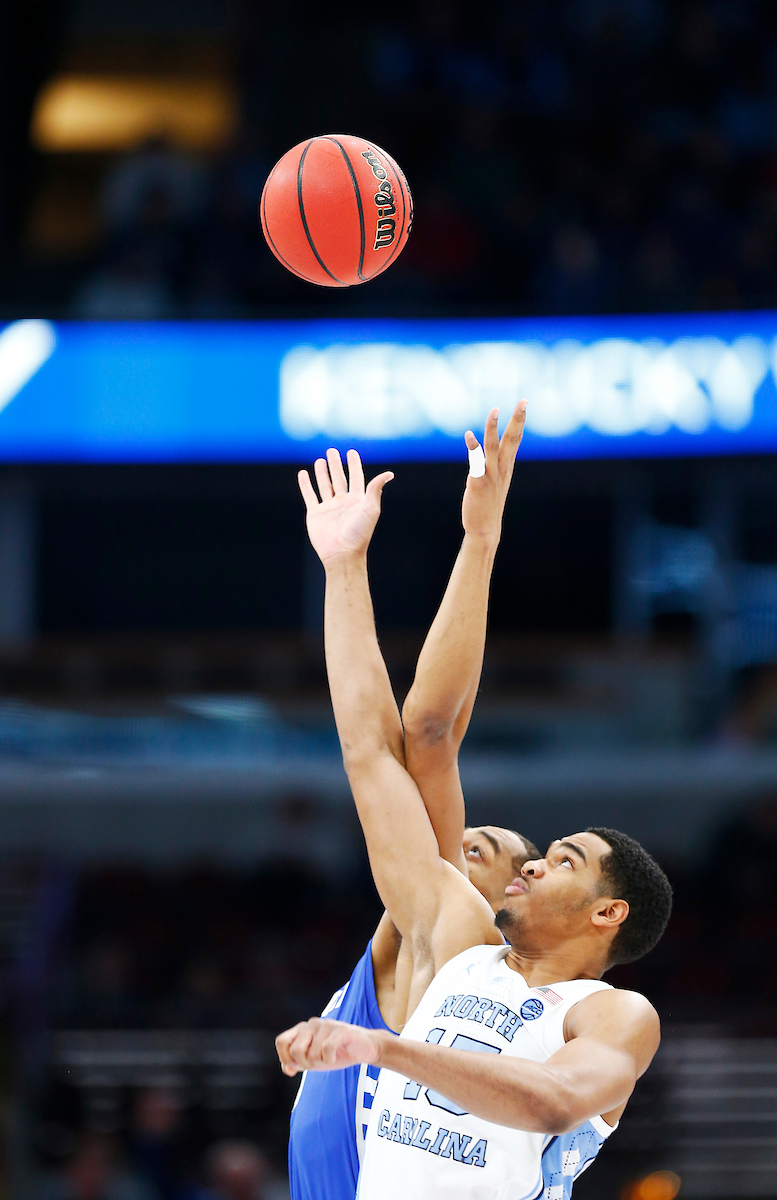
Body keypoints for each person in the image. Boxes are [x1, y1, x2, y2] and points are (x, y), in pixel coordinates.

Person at [277, 435, 673, 1200]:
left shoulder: (612, 1013)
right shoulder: (460, 941)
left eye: (563, 862)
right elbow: (376, 753)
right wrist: (345, 569)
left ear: (608, 913)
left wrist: (382, 1052)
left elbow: (555, 1101)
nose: (530, 864)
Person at [288, 407, 540, 1200]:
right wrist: (478, 543)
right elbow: (427, 735)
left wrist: (346, 570)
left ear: (510, 897)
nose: (460, 838)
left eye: (482, 850)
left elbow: (383, 748)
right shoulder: (415, 941)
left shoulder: (455, 949)